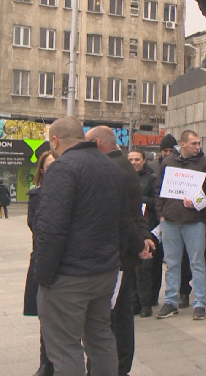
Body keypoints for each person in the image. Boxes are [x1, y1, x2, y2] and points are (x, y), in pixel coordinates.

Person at [34, 117, 131, 376]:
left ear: (55, 140)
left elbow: (51, 228)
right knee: (100, 338)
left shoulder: (62, 168)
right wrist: (115, 262)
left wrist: (43, 277)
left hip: (69, 276)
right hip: (104, 272)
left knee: (65, 347)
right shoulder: (111, 166)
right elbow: (124, 222)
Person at [85, 126, 154, 376]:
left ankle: (116, 367)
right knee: (119, 315)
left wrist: (139, 245)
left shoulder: (114, 168)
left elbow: (124, 217)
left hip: (118, 256)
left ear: (97, 143)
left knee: (115, 318)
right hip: (122, 253)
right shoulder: (120, 166)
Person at [155, 130, 206, 321]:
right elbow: (158, 189)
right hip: (170, 220)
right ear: (182, 144)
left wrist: (198, 202)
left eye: (199, 143)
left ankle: (199, 302)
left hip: (194, 221)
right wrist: (161, 214)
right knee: (172, 263)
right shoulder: (168, 163)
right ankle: (170, 301)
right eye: (194, 143)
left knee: (197, 262)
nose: (197, 147)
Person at [150, 134, 195, 305]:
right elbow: (155, 191)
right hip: (160, 219)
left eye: (171, 150)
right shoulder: (153, 167)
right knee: (160, 260)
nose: (168, 153)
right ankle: (155, 295)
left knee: (182, 259)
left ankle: (183, 291)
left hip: (179, 218)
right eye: (165, 150)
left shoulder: (181, 164)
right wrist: (160, 213)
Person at [24, 150, 55, 376]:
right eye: (49, 166)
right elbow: (34, 226)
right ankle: (46, 363)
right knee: (45, 314)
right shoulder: (36, 196)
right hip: (43, 258)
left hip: (68, 264)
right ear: (42, 170)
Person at [128, 148, 163, 318]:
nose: (133, 163)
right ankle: (134, 302)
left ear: (143, 161)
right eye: (131, 159)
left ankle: (146, 303)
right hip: (131, 228)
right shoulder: (124, 177)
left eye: (137, 159)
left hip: (149, 228)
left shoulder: (152, 178)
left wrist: (138, 200)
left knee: (145, 268)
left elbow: (157, 201)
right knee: (132, 268)